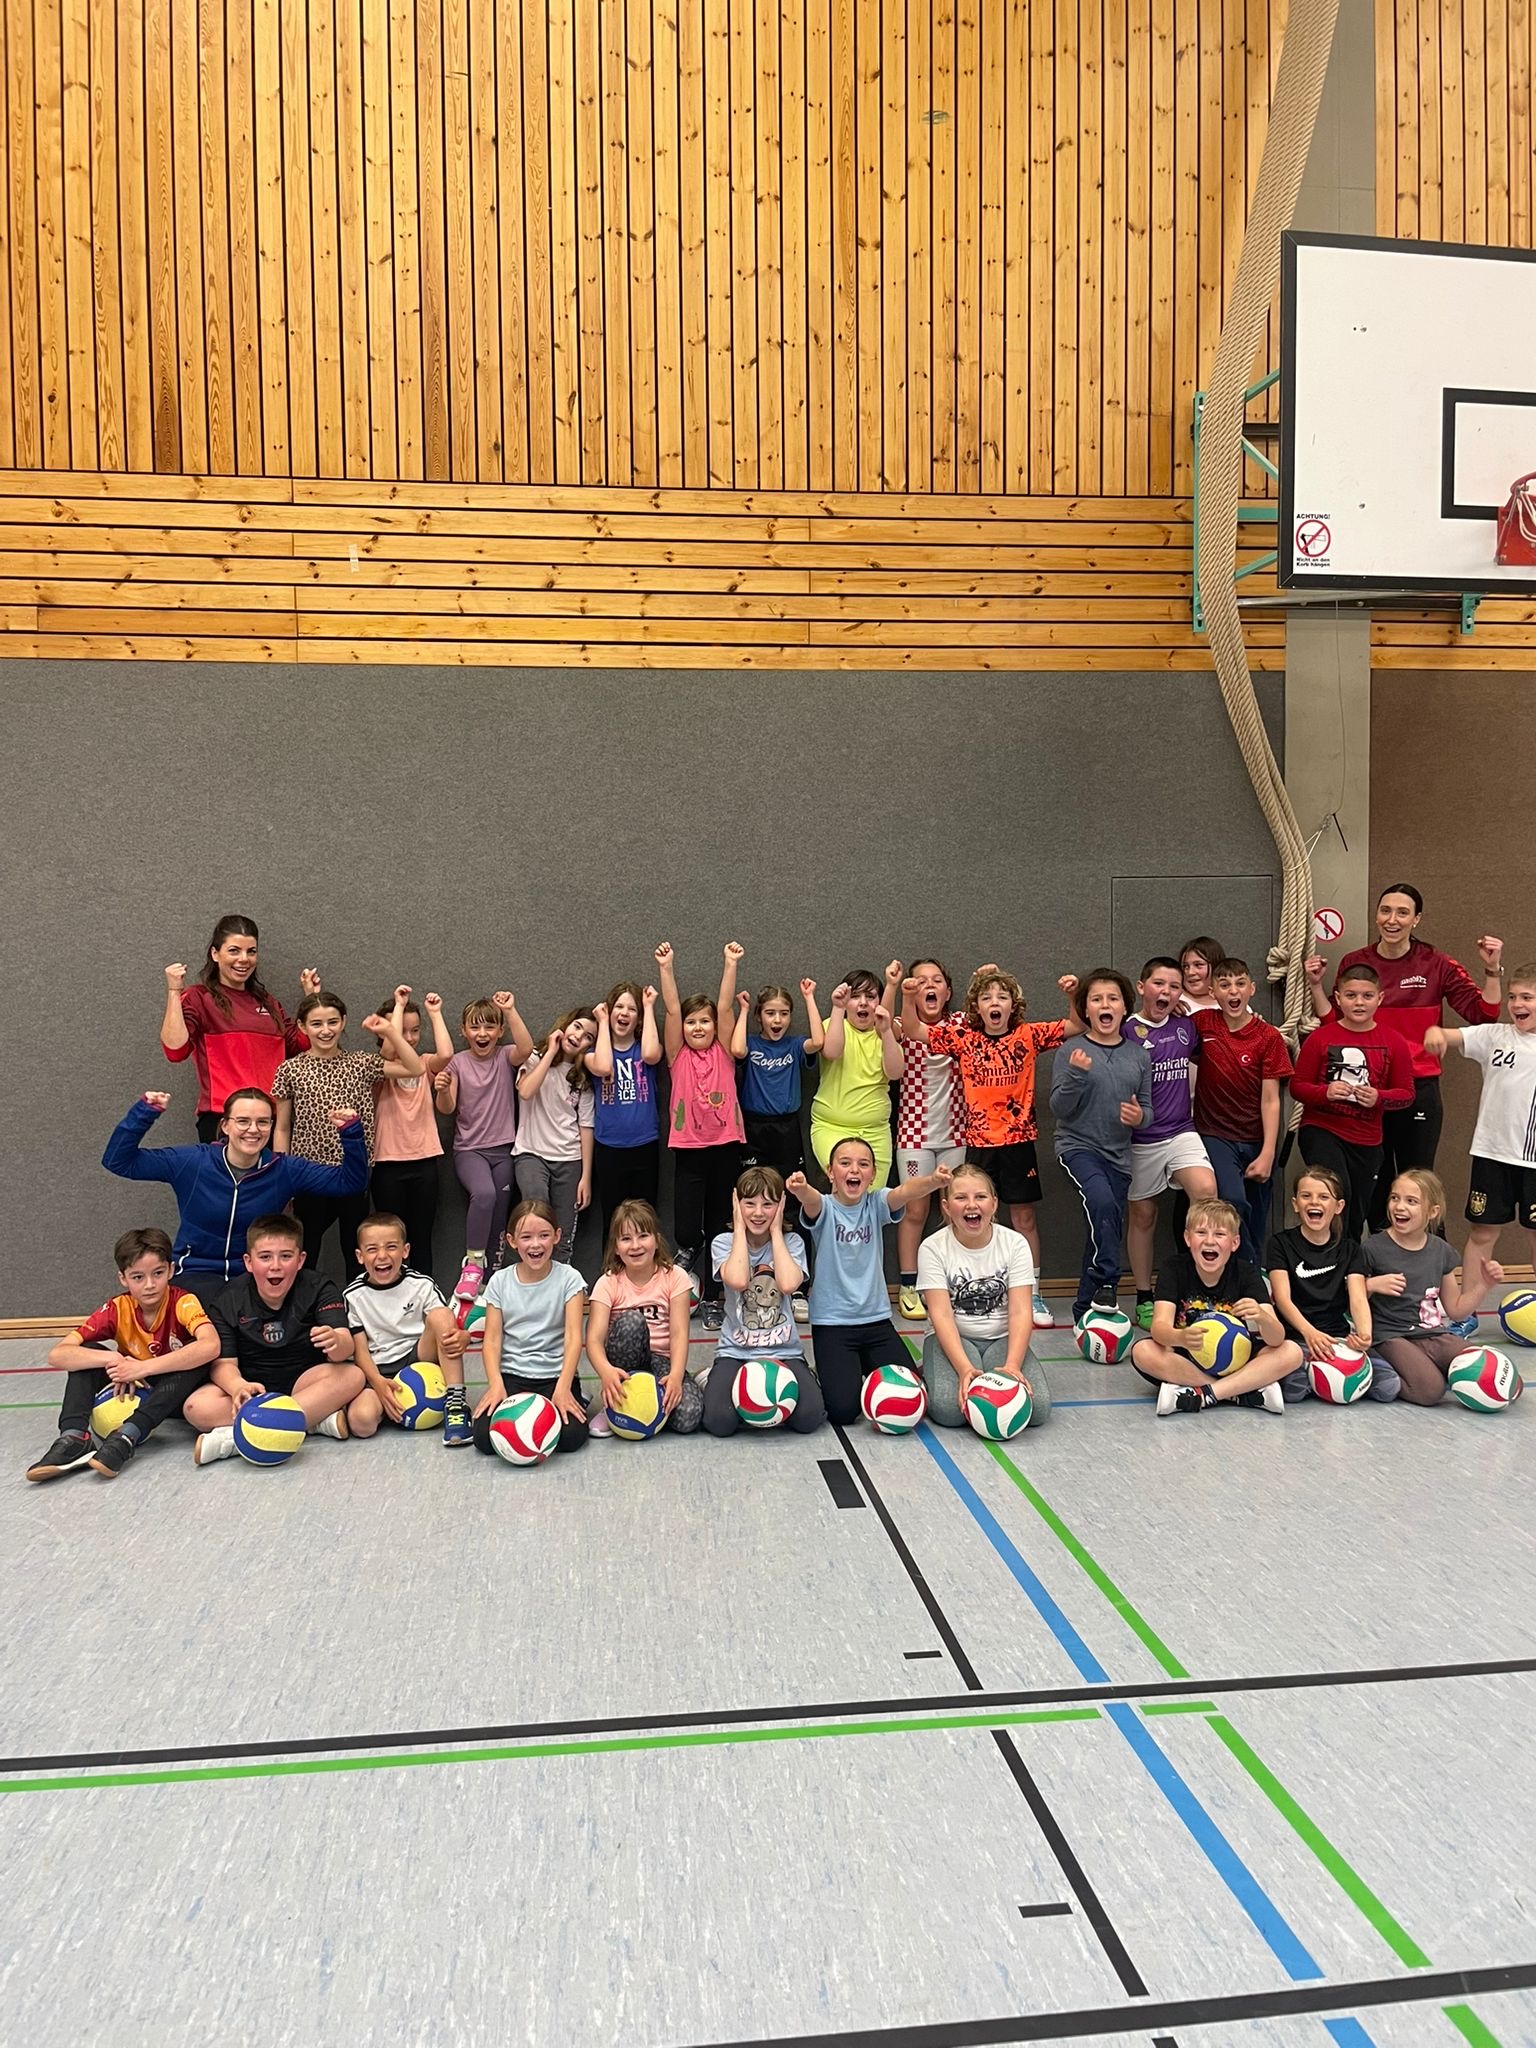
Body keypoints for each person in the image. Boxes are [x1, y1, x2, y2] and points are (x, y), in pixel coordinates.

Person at [1305, 884, 1504, 1228]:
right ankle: (1379, 1254)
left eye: (1402, 913)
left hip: (1418, 1088)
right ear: (1376, 915)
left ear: (1416, 919)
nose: (1392, 919)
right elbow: (1338, 1025)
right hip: (1368, 1093)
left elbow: (1483, 1014)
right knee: (1375, 1181)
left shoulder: (1437, 963)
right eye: (1385, 911)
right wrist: (1314, 986)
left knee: (1417, 1182)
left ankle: (1430, 1255)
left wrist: (1492, 970)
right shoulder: (1355, 962)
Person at [900, 960, 1078, 1327]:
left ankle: (1033, 1294)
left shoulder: (1028, 1035)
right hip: (978, 1143)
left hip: (1018, 1141)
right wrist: (906, 994)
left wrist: (1073, 995)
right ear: (976, 1008)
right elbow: (915, 1030)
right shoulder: (964, 1038)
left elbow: (1076, 1025)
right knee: (970, 1215)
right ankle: (963, 1290)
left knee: (1023, 1217)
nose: (994, 1002)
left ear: (1014, 1005)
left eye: (1002, 997)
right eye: (986, 997)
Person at [102, 1090, 368, 1286]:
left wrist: (350, 1133)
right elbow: (118, 1161)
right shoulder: (192, 1161)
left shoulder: (284, 1169)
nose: (253, 1130)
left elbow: (351, 1182)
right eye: (243, 1121)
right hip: (195, 1272)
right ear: (225, 1125)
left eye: (263, 1122)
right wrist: (144, 1113)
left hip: (255, 1276)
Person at [28, 1227, 220, 1481]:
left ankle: (128, 1435)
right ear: (123, 1278)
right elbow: (58, 1354)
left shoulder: (183, 1301)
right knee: (88, 1353)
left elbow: (211, 1345)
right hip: (132, 1384)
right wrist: (114, 1360)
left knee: (198, 1361)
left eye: (158, 1273)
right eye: (138, 1277)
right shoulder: (118, 1308)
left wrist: (143, 1368)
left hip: (171, 1393)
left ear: (171, 1270)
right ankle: (74, 1437)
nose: (150, 1285)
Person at [786, 1142, 952, 1425]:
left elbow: (905, 1191)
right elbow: (811, 1201)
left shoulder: (876, 1204)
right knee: (843, 1411)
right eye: (845, 1163)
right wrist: (801, 1189)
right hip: (833, 1324)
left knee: (910, 1393)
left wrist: (933, 1182)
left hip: (876, 1323)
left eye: (863, 1164)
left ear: (873, 1174)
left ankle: (859, 1365)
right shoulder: (825, 1208)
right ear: (830, 1172)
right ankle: (829, 1370)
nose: (854, 1170)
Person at [185, 1213, 363, 1464]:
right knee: (196, 1407)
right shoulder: (229, 1299)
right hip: (253, 1389)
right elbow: (224, 1364)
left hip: (305, 1383)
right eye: (265, 1257)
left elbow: (345, 1346)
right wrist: (237, 1387)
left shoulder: (319, 1287)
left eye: (286, 1256)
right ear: (248, 1262)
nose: (275, 1266)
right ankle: (310, 1421)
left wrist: (336, 1341)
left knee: (353, 1375)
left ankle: (238, 1439)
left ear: (301, 1260)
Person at [273, 992, 423, 1280]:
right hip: (308, 1172)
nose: (325, 1030)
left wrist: (390, 1030)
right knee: (307, 1244)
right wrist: (281, 1176)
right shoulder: (290, 1069)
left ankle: (356, 1302)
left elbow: (415, 1068)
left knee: (354, 1245)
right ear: (302, 1027)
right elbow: (282, 1127)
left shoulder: (360, 1063)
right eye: (316, 1023)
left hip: (353, 1170)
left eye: (332, 1022)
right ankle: (304, 1303)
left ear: (343, 1022)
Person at [1424, 964, 1536, 1302]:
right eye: (1513, 997)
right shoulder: (1495, 1036)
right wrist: (1436, 1034)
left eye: (1527, 997)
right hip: (1491, 1154)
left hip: (1532, 1162)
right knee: (1482, 1233)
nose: (1517, 1004)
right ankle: (1466, 1309)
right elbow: (1452, 1035)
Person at [1129, 1198, 1302, 1417]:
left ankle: (1203, 1394)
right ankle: (1238, 1393)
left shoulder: (1246, 1272)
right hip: (1189, 1358)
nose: (1210, 1241)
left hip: (1239, 1358)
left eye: (1220, 1234)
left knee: (1292, 1352)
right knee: (1142, 1351)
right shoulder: (1173, 1268)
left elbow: (1276, 1338)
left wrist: (1263, 1317)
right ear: (1187, 1238)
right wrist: (1180, 1337)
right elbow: (1159, 1328)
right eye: (1201, 1232)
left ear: (1235, 1243)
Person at [160, 915, 320, 1141]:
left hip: (269, 1121)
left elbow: (299, 1047)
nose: (244, 959)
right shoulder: (199, 998)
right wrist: (174, 992)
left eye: (251, 951)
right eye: (234, 951)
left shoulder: (268, 1002)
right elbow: (175, 1051)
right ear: (215, 954)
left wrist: (311, 999)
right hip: (223, 1119)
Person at [1050, 970, 1152, 1321]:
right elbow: (1059, 1108)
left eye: (1112, 998)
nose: (1105, 1004)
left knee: (1105, 1224)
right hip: (1077, 1147)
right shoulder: (1071, 1050)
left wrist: (1139, 1117)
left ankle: (1084, 1307)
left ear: (1124, 1008)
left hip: (1119, 1156)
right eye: (1096, 999)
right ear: (1087, 1009)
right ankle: (1108, 1280)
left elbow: (1148, 1110)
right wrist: (1077, 1075)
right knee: (1102, 1203)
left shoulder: (1139, 1056)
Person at [917, 1164, 1051, 1429]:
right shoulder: (932, 1247)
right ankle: (932, 1369)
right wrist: (964, 1369)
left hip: (1001, 1338)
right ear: (946, 1206)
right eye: (961, 1197)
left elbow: (1021, 1311)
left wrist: (1012, 1365)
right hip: (955, 1337)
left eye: (980, 1196)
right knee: (949, 1411)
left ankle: (985, 1369)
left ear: (994, 1203)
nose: (971, 1205)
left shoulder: (1015, 1243)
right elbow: (941, 1315)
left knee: (1037, 1410)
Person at [656, 940, 746, 1330]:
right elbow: (672, 1010)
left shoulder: (724, 1051)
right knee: (688, 1229)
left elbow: (725, 1008)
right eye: (692, 1022)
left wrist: (730, 964)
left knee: (719, 1228)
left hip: (725, 1147)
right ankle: (689, 1249)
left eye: (704, 1022)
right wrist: (666, 968)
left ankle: (712, 1299)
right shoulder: (677, 1056)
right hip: (690, 1149)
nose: (697, 1027)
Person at [1123, 957, 1217, 1328]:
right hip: (1140, 1139)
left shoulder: (1186, 1027)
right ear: (1141, 986)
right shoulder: (1126, 1030)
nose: (1166, 992)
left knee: (1206, 1191)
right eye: (1159, 984)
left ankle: (1200, 1289)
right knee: (1143, 1215)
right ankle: (1144, 1296)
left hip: (1181, 1130)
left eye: (1174, 986)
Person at [1291, 962, 1415, 1241]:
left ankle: (1348, 1260)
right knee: (1336, 1195)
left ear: (1380, 998)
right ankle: (1324, 1257)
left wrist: (1379, 1097)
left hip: (1367, 1139)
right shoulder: (1320, 1038)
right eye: (1351, 995)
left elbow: (1406, 1094)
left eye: (1367, 996)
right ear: (1338, 998)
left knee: (1357, 1211)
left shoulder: (1394, 1042)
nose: (1359, 1002)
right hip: (1322, 1129)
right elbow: (1298, 1087)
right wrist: (1324, 1092)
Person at [1360, 1170, 1505, 1406]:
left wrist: (1484, 1285)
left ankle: (1421, 1366)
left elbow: (1456, 1310)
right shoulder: (1373, 1248)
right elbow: (1351, 1300)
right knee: (1431, 1390)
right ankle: (1376, 1372)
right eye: (1395, 1198)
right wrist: (1371, 1284)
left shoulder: (1441, 1251)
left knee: (1492, 1372)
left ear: (1432, 1211)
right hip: (1390, 1336)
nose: (1399, 1206)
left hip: (1432, 1334)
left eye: (1411, 1201)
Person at [703, 1168, 826, 1436]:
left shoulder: (792, 1242)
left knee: (809, 1418)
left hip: (785, 1352)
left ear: (780, 1205)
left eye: (768, 1204)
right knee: (719, 1422)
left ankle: (808, 1378)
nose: (758, 1213)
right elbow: (738, 1280)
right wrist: (738, 1228)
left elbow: (788, 1284)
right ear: (737, 1204)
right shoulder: (723, 1242)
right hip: (736, 1352)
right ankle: (710, 1378)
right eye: (749, 1204)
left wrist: (776, 1232)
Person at [433, 991, 536, 1302]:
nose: (482, 1033)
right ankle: (473, 1266)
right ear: (463, 1031)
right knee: (485, 1194)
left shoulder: (505, 1056)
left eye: (490, 1027)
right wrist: (442, 1090)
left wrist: (511, 1010)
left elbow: (526, 1048)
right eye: (475, 1027)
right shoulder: (457, 1063)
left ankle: (490, 1284)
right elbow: (447, 1108)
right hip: (470, 1151)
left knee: (499, 1214)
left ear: (500, 1031)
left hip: (504, 1150)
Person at [1189, 958, 1293, 1265]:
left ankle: (1251, 1273)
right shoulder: (1202, 1023)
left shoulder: (1268, 1037)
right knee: (1232, 1200)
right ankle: (1245, 1268)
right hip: (1215, 1133)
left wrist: (1268, 1152)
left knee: (1257, 1215)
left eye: (1239, 984)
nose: (1233, 991)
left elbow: (1271, 1099)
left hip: (1256, 1137)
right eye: (1224, 985)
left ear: (1252, 989)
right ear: (1213, 992)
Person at [1265, 1167, 1400, 1403]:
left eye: (1323, 1197)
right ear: (1295, 1204)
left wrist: (1364, 1334)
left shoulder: (1350, 1250)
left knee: (1388, 1387)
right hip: (1297, 1338)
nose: (1314, 1202)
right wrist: (1310, 1333)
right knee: (1294, 1391)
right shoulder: (1280, 1244)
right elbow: (1282, 1299)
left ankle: (1321, 1374)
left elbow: (1357, 1297)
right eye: (1306, 1196)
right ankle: (1310, 1371)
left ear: (1338, 1206)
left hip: (1338, 1339)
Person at [342, 1211, 471, 1444]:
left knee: (441, 1315)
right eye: (372, 1249)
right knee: (361, 1422)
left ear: (405, 1251)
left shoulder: (421, 1285)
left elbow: (446, 1324)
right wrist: (378, 1383)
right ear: (360, 1256)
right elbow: (360, 1350)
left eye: (391, 1247)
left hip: (418, 1358)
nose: (382, 1255)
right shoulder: (353, 1295)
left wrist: (464, 1337)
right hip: (379, 1368)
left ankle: (455, 1404)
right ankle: (390, 1405)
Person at [472, 1201, 590, 1454]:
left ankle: (577, 1395)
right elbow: (491, 1341)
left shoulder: (570, 1279)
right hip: (513, 1376)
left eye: (544, 1235)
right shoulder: (500, 1281)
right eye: (526, 1237)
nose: (535, 1244)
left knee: (571, 1438)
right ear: (512, 1241)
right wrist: (496, 1385)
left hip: (555, 1376)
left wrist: (563, 1388)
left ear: (557, 1236)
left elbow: (573, 1337)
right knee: (484, 1438)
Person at [891, 958, 965, 1322]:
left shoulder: (962, 1024)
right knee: (915, 1210)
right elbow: (895, 1026)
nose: (929, 986)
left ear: (947, 992)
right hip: (913, 1134)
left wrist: (987, 978)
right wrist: (899, 991)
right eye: (920, 981)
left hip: (955, 1133)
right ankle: (909, 1285)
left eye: (937, 980)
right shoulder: (901, 1025)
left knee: (955, 1209)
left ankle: (954, 1284)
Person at [587, 1200, 701, 1432]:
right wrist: (606, 1372)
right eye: (626, 1238)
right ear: (616, 1247)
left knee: (689, 1417)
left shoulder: (675, 1276)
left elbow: (679, 1333)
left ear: (656, 1240)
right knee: (632, 1322)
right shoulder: (607, 1283)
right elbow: (594, 1340)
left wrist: (676, 1375)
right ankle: (612, 1406)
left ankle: (696, 1381)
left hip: (662, 1362)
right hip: (624, 1365)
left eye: (643, 1236)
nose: (635, 1245)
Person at [370, 986, 455, 1280]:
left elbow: (446, 1054)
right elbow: (389, 1049)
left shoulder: (424, 1063)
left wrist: (435, 1013)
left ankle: (423, 1294)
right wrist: (397, 1005)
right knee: (390, 1239)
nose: (409, 1037)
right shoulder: (376, 1067)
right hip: (387, 1164)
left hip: (424, 1161)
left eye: (415, 1030)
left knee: (421, 1237)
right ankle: (392, 1291)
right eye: (401, 1030)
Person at [808, 964, 905, 1188]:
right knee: (846, 1191)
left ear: (879, 1003)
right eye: (855, 996)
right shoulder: (833, 1024)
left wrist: (886, 1031)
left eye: (870, 997)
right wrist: (837, 1008)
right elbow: (832, 1052)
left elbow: (895, 1072)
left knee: (873, 1198)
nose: (863, 1003)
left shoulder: (885, 1034)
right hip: (831, 1128)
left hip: (875, 1131)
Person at [514, 1009, 597, 1266]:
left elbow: (586, 1127)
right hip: (531, 1153)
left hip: (569, 1160)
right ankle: (533, 1275)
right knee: (536, 1215)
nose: (579, 1036)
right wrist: (550, 1052)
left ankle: (561, 1283)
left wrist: (586, 1177)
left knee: (563, 1233)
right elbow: (525, 1092)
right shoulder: (534, 1057)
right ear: (565, 1025)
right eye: (577, 1027)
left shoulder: (583, 1078)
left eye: (588, 1037)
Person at [588, 981, 664, 1240]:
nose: (624, 1013)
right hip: (609, 1147)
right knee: (612, 1221)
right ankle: (611, 1265)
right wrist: (601, 1023)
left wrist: (649, 1007)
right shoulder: (592, 1054)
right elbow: (603, 1066)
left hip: (644, 1145)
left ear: (638, 1018)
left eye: (632, 1009)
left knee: (646, 1219)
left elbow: (652, 1055)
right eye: (619, 1007)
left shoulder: (645, 1048)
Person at [1176, 937, 1225, 1015]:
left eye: (1198, 965)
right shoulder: (1172, 1000)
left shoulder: (1234, 1004)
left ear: (1216, 967)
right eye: (1185, 966)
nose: (1190, 972)